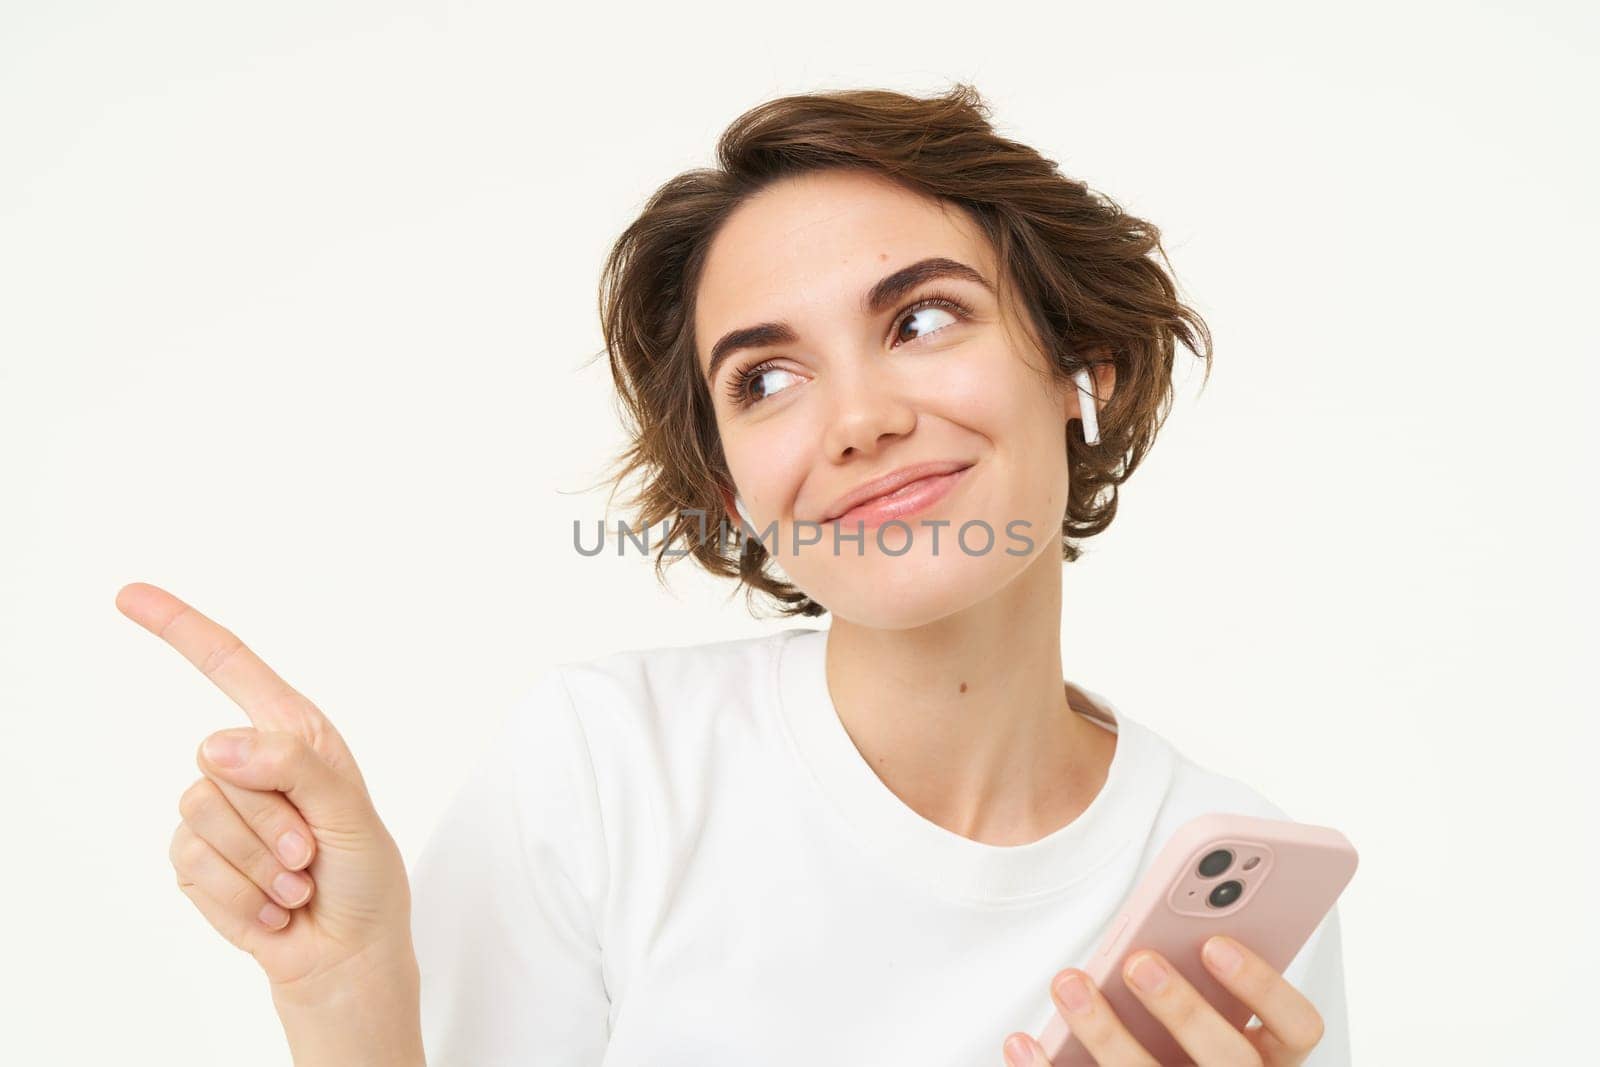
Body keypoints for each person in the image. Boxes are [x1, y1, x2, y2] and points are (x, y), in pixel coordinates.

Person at [129, 83, 1349, 1066]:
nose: (859, 419)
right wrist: (345, 997)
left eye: (921, 318)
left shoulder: (1228, 870)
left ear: (1085, 366)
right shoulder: (609, 767)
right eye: (764, 378)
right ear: (733, 492)